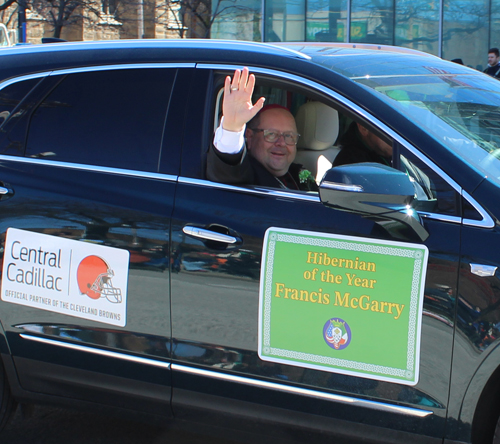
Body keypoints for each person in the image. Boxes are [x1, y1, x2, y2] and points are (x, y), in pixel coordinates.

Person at [207, 67, 317, 191]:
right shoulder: (244, 173)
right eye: (271, 134)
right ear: (250, 136)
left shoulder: (300, 173)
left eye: (289, 136)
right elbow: (227, 169)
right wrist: (232, 127)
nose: (281, 143)